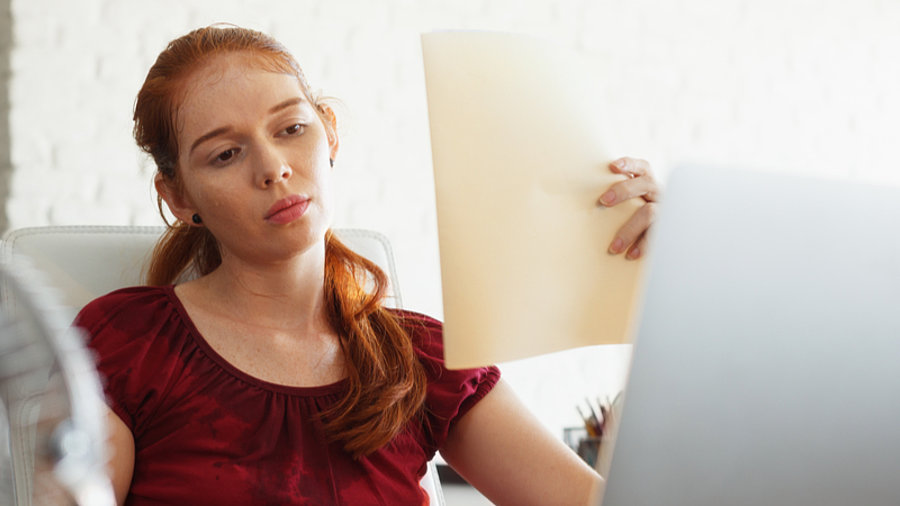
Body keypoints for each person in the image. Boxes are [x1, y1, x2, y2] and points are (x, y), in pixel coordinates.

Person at [75, 25, 660, 505]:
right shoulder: (126, 343)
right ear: (179, 198)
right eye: (226, 154)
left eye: (291, 128)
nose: (274, 167)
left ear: (328, 133)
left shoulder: (421, 359)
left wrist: (680, 272)